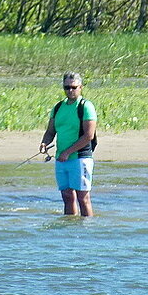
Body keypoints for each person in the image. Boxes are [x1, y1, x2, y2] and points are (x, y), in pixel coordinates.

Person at [40, 72, 97, 217]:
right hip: (61, 159)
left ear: (80, 87)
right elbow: (50, 131)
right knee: (67, 196)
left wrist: (67, 152)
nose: (70, 91)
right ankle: (70, 229)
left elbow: (88, 136)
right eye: (67, 87)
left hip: (80, 158)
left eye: (73, 87)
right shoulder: (58, 107)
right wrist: (44, 143)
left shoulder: (86, 106)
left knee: (83, 197)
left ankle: (87, 228)